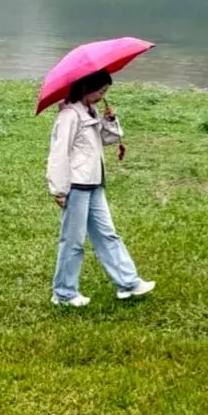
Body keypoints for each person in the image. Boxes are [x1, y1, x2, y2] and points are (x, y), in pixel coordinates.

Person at [46, 68, 154, 306]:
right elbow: (58, 153)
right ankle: (64, 293)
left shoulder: (90, 110)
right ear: (87, 88)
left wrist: (110, 121)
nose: (103, 94)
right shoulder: (69, 116)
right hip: (76, 185)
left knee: (108, 235)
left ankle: (127, 283)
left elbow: (105, 140)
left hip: (95, 184)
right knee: (73, 242)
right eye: (101, 90)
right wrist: (59, 188)